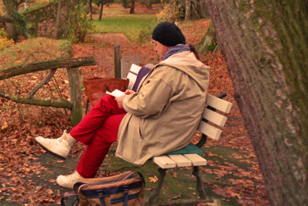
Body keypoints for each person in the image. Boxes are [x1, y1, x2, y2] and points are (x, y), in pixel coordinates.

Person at [35, 21, 209, 188]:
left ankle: (81, 176)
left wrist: (127, 101)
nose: (154, 48)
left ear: (165, 43)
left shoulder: (171, 70)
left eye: (155, 44)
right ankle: (66, 143)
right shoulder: (187, 63)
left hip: (164, 132)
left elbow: (147, 107)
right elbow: (164, 100)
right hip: (169, 125)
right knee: (108, 101)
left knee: (105, 126)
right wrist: (135, 96)